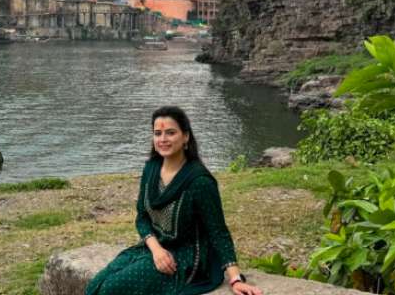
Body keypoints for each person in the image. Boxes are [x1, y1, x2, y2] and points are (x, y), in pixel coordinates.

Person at [85, 106, 263, 295]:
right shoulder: (151, 169)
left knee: (111, 290)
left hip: (187, 259)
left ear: (185, 136)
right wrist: (156, 250)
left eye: (170, 133)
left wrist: (235, 279)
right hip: (154, 249)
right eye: (157, 133)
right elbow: (142, 217)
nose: (163, 139)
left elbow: (218, 231)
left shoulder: (199, 181)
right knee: (95, 286)